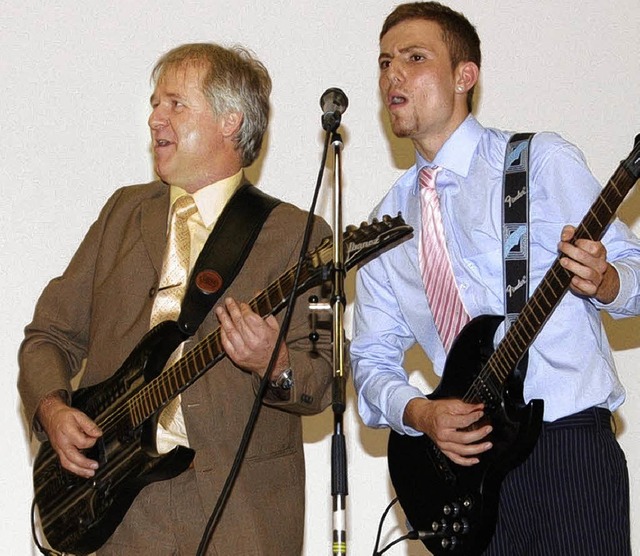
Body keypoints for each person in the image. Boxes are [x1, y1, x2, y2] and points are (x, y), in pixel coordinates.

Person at [18, 42, 333, 555]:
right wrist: (53, 410)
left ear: (230, 121)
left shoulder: (300, 236)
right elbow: (48, 337)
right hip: (119, 514)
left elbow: (319, 378)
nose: (154, 118)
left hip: (242, 516)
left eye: (174, 104)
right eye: (154, 104)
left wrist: (274, 363)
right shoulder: (123, 213)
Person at [350, 3, 639, 555]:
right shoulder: (387, 226)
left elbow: (636, 270)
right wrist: (421, 412)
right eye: (385, 63)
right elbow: (369, 361)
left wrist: (604, 282)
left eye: (415, 58)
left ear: (465, 76)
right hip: (467, 476)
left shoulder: (539, 162)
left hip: (566, 447)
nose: (393, 75)